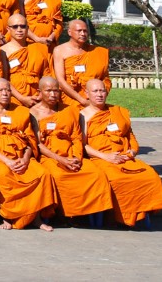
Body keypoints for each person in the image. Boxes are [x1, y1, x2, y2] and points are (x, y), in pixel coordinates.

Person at [81, 78, 162, 227]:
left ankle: (138, 214)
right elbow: (82, 145)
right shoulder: (83, 115)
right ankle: (117, 218)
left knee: (150, 176)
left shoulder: (117, 111)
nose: (100, 94)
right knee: (116, 179)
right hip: (101, 158)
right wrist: (105, 156)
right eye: (95, 91)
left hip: (124, 157)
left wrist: (132, 152)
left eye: (102, 90)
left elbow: (130, 137)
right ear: (86, 93)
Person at [0, 78, 58, 230]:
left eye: (8, 90)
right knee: (3, 174)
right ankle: (10, 216)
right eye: (0, 90)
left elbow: (30, 141)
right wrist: (6, 160)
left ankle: (36, 218)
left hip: (21, 155)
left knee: (42, 173)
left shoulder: (21, 111)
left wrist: (25, 159)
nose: (5, 93)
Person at [30, 76, 113, 220]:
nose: (52, 94)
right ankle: (64, 215)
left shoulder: (69, 110)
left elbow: (77, 137)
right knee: (59, 176)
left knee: (96, 174)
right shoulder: (33, 113)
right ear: (40, 92)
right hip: (50, 156)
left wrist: (76, 157)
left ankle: (89, 214)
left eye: (56, 91)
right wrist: (61, 159)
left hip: (73, 153)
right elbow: (38, 144)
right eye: (48, 91)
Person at [54, 19, 111, 107]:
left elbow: (105, 78)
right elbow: (60, 80)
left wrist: (97, 97)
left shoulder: (97, 51)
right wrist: (81, 100)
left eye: (85, 31)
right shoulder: (60, 50)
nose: (83, 34)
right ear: (69, 32)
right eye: (79, 31)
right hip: (70, 97)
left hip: (93, 98)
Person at [2, 13, 51, 106]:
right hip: (14, 99)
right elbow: (4, 80)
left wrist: (41, 95)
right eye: (15, 27)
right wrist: (21, 98)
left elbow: (45, 75)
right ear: (8, 29)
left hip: (38, 97)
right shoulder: (3, 51)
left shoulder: (39, 48)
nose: (19, 30)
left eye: (23, 26)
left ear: (28, 28)